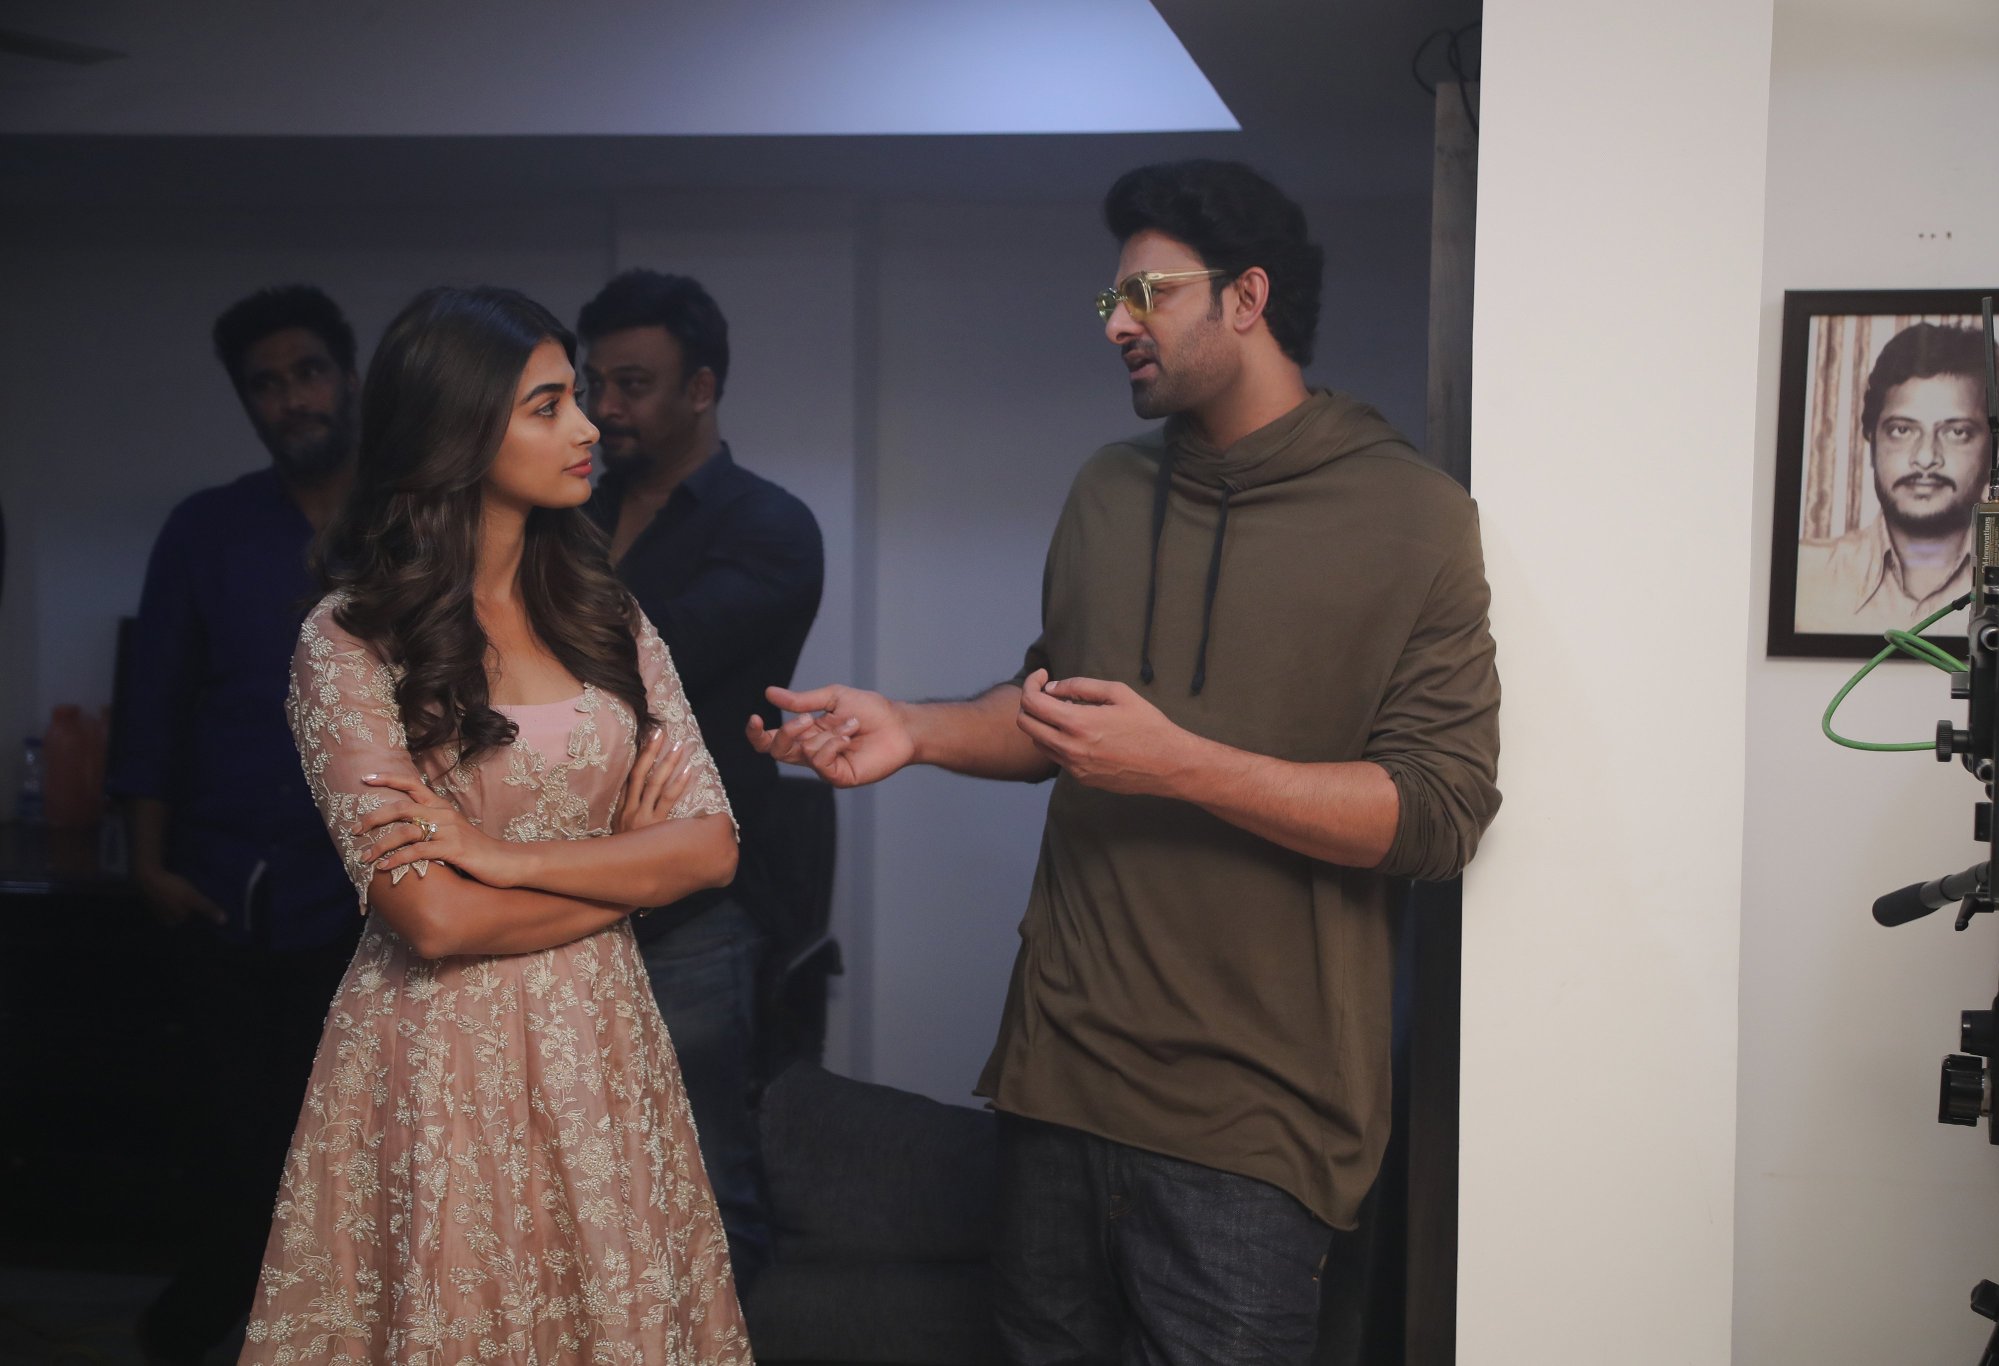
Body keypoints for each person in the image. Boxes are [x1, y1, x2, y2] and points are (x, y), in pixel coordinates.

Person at [749, 159, 1501, 1364]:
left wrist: (1181, 765)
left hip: (1255, 1124)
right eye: (1111, 298)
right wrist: (915, 728)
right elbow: (1053, 710)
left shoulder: (1411, 517)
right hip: (1056, 1085)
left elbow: (1438, 812)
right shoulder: (1108, 489)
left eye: (1147, 293)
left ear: (1245, 298)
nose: (1114, 323)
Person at [239, 285, 750, 1362]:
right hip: (437, 1054)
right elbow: (433, 922)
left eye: (579, 400)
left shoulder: (605, 612)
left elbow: (711, 846)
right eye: (548, 406)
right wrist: (624, 873)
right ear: (457, 430)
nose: (587, 428)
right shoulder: (349, 639)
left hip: (605, 1043)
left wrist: (499, 859)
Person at [109, 285, 365, 1365]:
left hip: (380, 896)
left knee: (359, 1146)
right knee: (241, 1140)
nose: (292, 398)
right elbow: (154, 699)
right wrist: (148, 862)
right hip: (230, 891)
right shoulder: (207, 529)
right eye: (266, 384)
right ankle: (196, 1329)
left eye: (308, 372)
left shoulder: (411, 522)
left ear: (347, 376)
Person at [578, 268, 825, 1293]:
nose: (605, 408)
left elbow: (655, 654)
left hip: (694, 909)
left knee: (705, 1185)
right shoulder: (570, 512)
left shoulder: (769, 524)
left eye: (632, 385)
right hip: (559, 888)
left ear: (702, 388)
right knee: (570, 1180)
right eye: (594, 384)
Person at [1796, 322, 1998, 634]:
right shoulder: (1804, 575)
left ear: (1994, 449)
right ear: (1872, 440)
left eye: (1957, 432)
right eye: (1902, 430)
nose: (1926, 457)